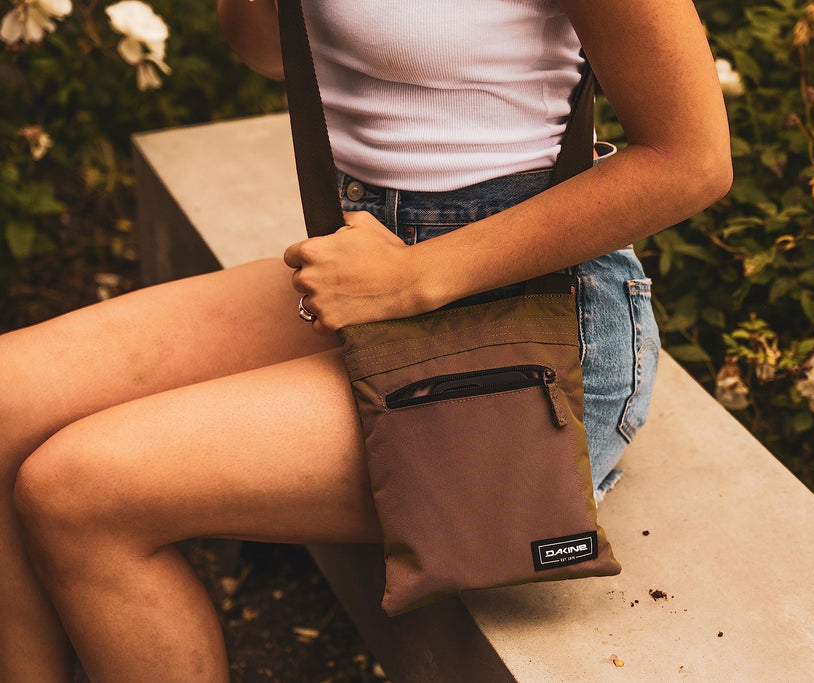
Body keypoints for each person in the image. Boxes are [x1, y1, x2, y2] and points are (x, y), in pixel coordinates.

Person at [0, 0, 731, 679]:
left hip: (535, 318)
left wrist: (415, 277)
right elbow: (265, 50)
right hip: (371, 258)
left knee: (80, 493)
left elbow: (691, 159)